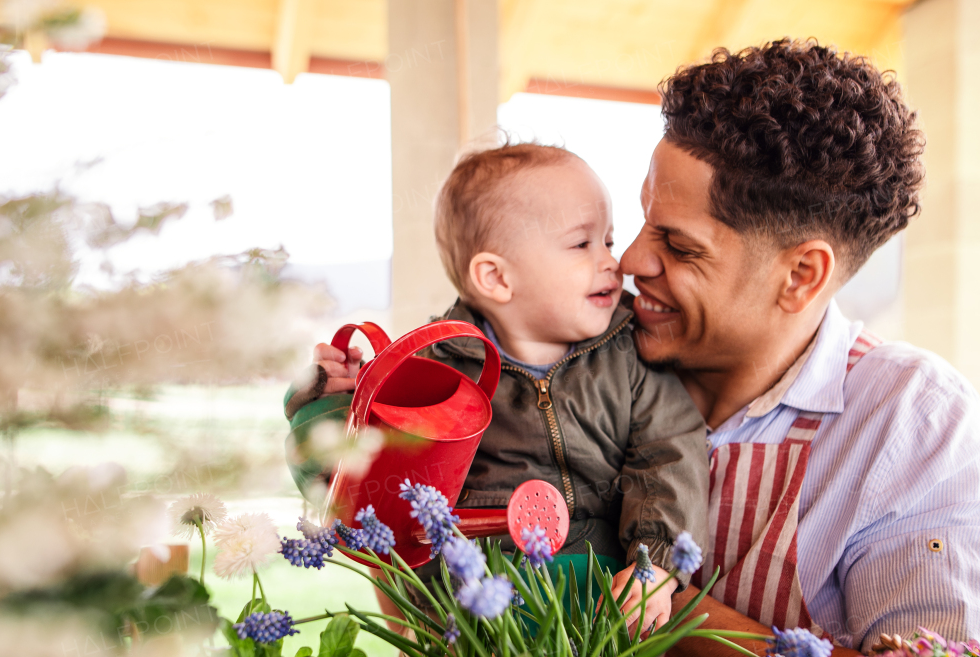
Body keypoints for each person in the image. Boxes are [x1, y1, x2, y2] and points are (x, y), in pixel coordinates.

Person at [625, 40, 980, 657]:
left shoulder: (912, 424)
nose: (630, 262)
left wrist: (671, 605)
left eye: (677, 245)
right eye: (643, 221)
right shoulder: (594, 358)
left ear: (800, 275)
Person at [285, 142, 709, 616]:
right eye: (582, 244)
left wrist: (659, 562)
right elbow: (363, 478)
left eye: (608, 241)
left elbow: (670, 452)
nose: (613, 261)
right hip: (472, 609)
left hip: (600, 601)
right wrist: (326, 403)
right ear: (496, 278)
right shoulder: (435, 369)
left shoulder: (629, 351)